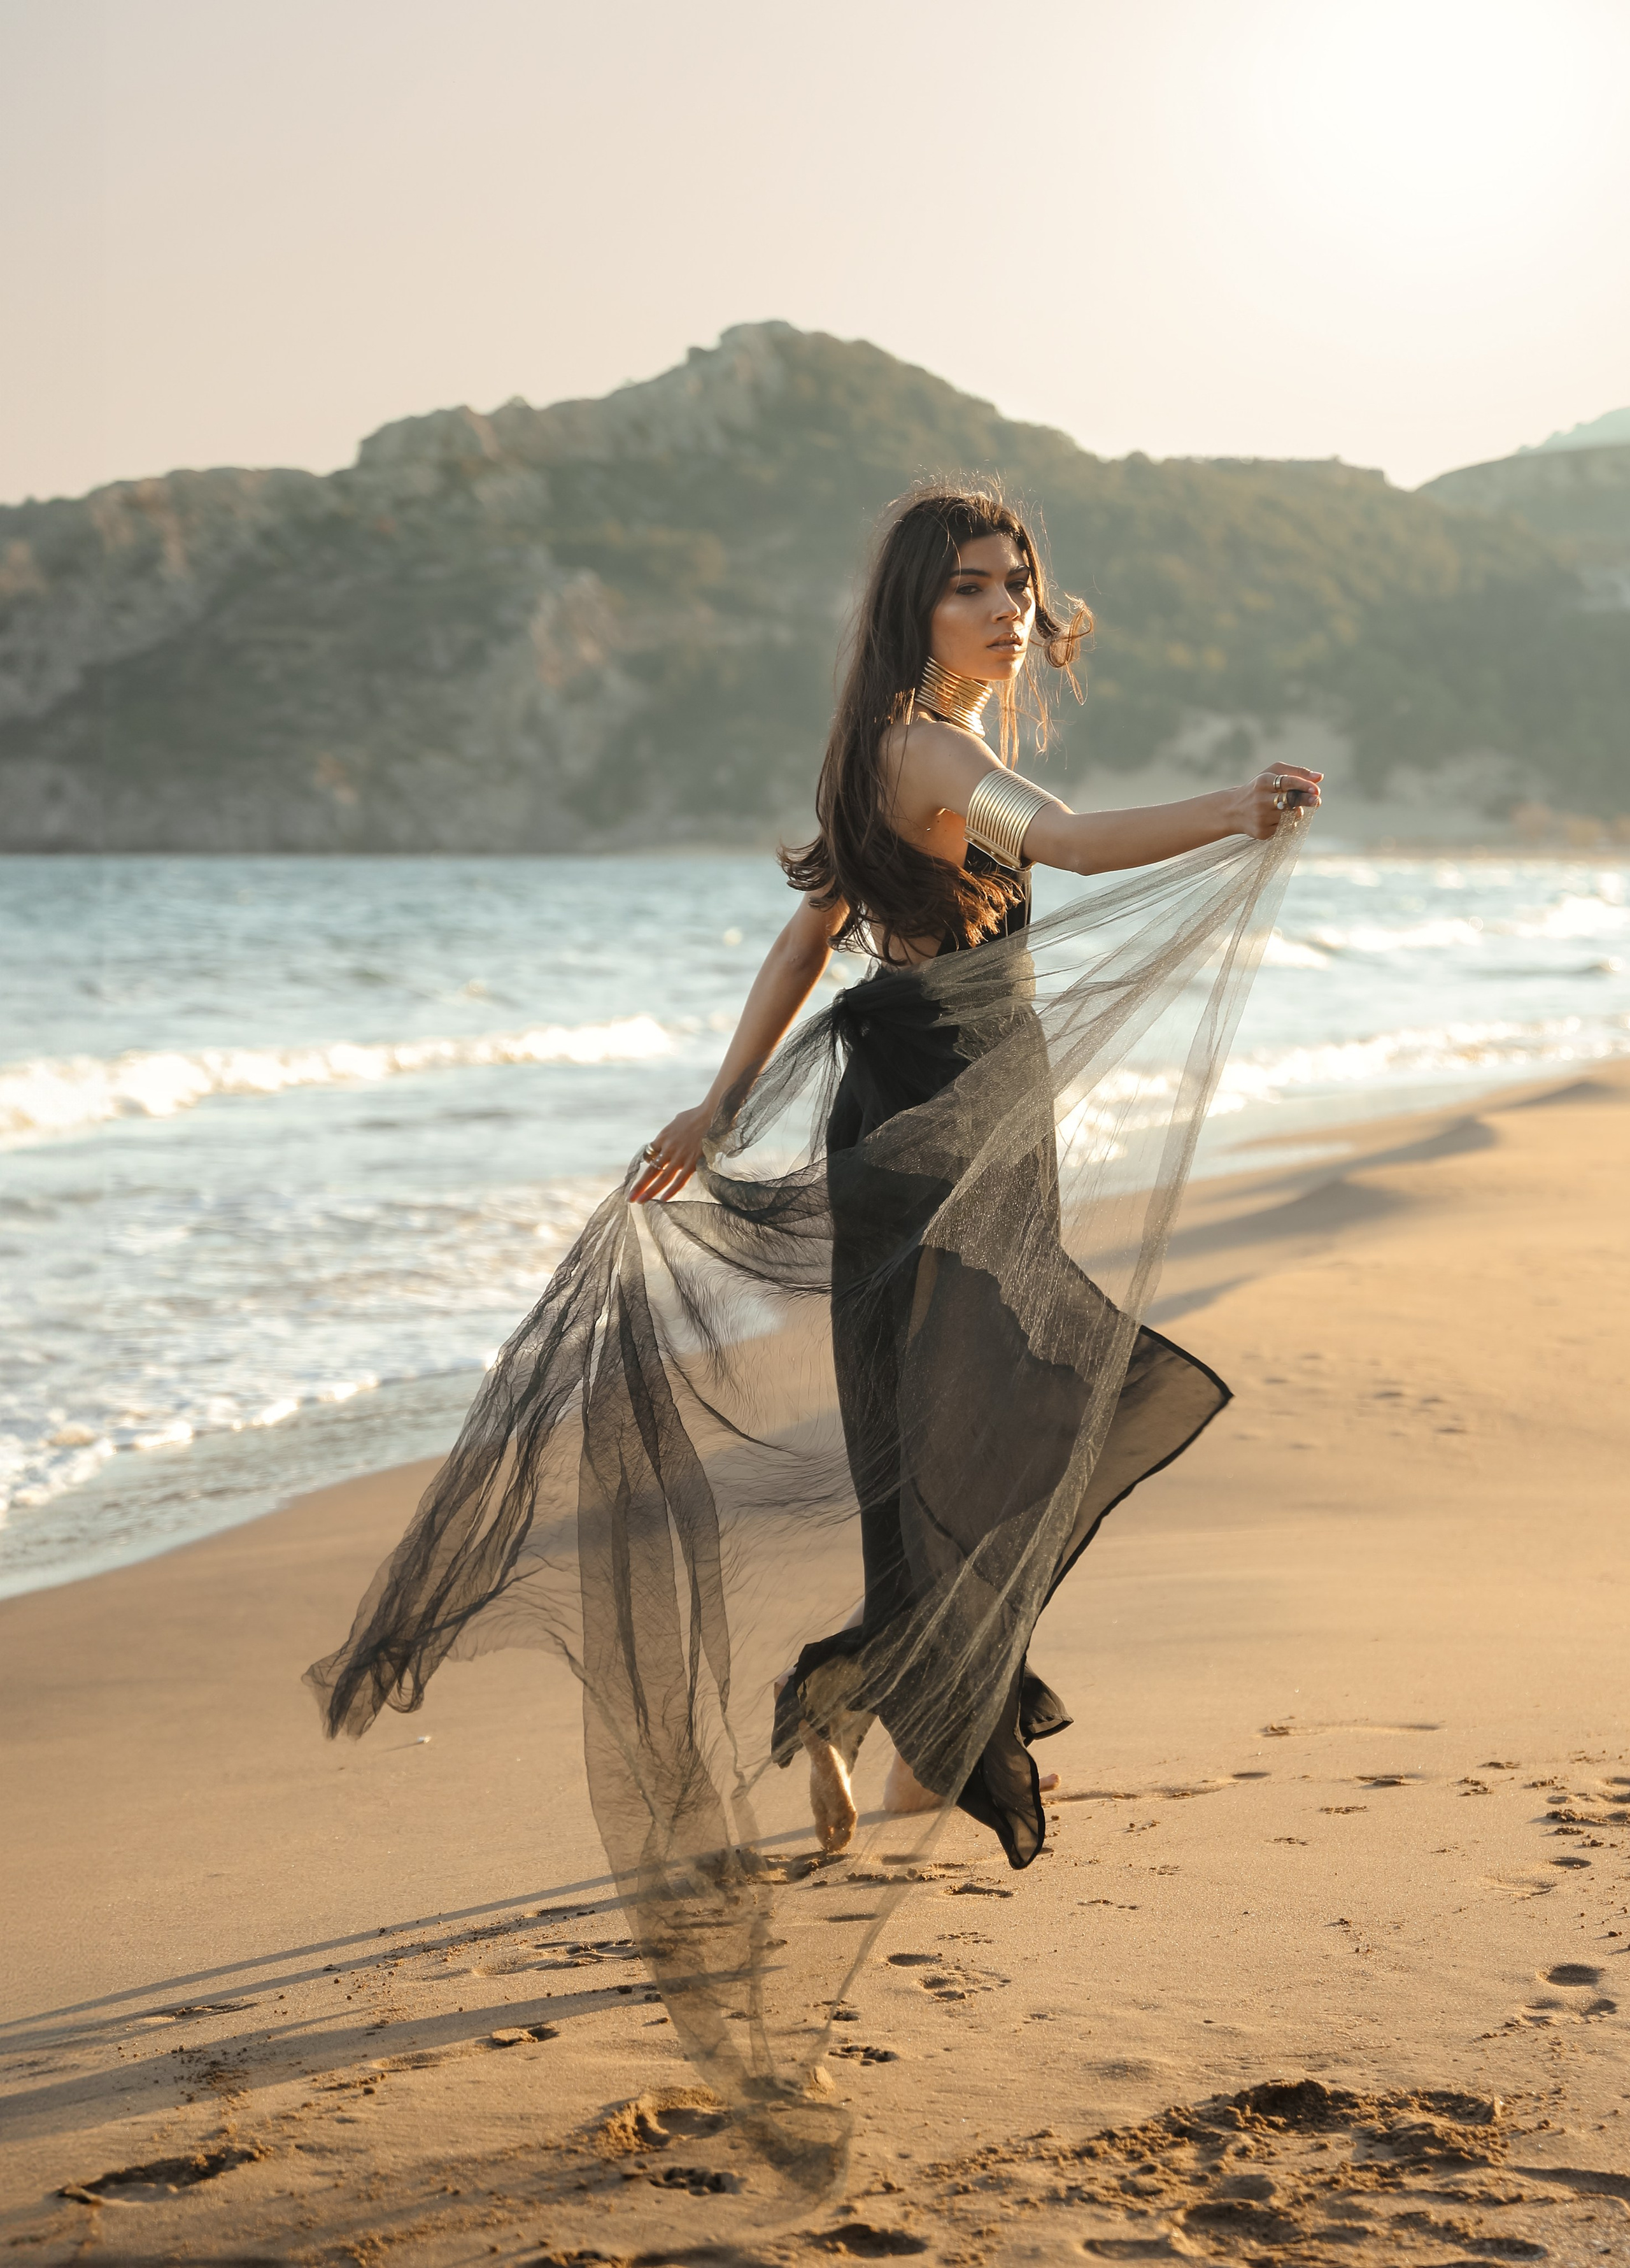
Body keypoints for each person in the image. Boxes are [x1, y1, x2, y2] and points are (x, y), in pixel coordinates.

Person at [627, 485, 1319, 1856]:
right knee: (997, 1431)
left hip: (945, 1107)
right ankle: (912, 1716)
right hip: (943, 1119)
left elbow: (805, 939)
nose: (1008, 609)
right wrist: (1229, 809)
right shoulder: (932, 753)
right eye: (973, 588)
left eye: (1017, 583)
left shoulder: (889, 744)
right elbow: (1063, 840)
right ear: (914, 608)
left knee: (939, 1444)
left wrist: (721, 1101)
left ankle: (848, 1700)